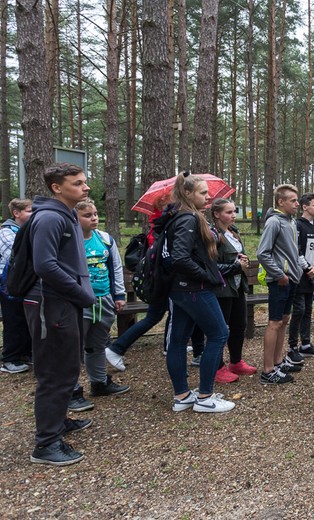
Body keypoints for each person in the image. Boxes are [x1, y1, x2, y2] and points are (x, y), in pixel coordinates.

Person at [24, 163, 96, 465]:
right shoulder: (50, 218)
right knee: (54, 372)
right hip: (50, 303)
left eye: (84, 181)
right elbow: (45, 265)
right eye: (77, 183)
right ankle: (46, 444)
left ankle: (58, 421)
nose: (85, 187)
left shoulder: (65, 215)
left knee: (66, 367)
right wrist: (81, 294)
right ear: (57, 187)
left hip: (64, 303)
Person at [165, 172, 235, 413]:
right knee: (219, 334)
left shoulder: (181, 216)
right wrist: (207, 276)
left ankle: (182, 396)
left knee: (178, 341)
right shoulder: (188, 219)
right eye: (203, 193)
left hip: (182, 290)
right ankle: (205, 396)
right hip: (195, 289)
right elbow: (180, 258)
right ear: (187, 193)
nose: (208, 197)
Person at [105, 196, 173, 371]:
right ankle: (116, 348)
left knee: (165, 315)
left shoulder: (160, 225)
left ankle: (170, 346)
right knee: (154, 317)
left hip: (161, 281)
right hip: (160, 283)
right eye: (170, 204)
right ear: (162, 207)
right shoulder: (159, 228)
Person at [72, 199, 129, 408]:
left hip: (104, 300)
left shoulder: (105, 239)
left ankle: (99, 383)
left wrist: (119, 295)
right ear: (75, 217)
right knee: (73, 348)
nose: (94, 218)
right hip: (80, 302)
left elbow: (115, 268)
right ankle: (71, 391)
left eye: (95, 214)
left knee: (96, 345)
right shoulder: (70, 241)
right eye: (87, 215)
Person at [257, 184, 303, 385]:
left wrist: (297, 271)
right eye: (293, 200)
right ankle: (267, 371)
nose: (297, 204)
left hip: (291, 279)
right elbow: (262, 253)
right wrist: (279, 275)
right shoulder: (274, 222)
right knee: (274, 323)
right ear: (280, 202)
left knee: (284, 320)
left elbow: (292, 251)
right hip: (279, 281)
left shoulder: (290, 222)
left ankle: (278, 362)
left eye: (297, 200)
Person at [209, 198, 256, 383]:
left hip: (237, 287)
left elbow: (236, 258)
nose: (233, 215)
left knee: (239, 324)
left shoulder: (234, 232)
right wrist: (237, 266)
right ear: (216, 214)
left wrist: (243, 259)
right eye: (228, 212)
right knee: (220, 328)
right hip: (222, 289)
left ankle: (236, 362)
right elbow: (212, 266)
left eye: (234, 211)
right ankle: (217, 367)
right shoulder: (213, 235)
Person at [286, 192, 314, 366]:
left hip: (312, 277)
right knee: (299, 310)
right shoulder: (297, 225)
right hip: (298, 276)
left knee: (308, 310)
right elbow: (296, 249)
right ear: (305, 207)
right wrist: (307, 267)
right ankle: (292, 347)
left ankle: (306, 344)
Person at [0, 198, 33, 374]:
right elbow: (17, 257)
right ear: (16, 213)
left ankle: (25, 353)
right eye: (29, 211)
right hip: (9, 285)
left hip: (25, 284)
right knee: (13, 321)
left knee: (26, 319)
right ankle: (10, 358)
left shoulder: (25, 231)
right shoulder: (6, 233)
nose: (33, 214)